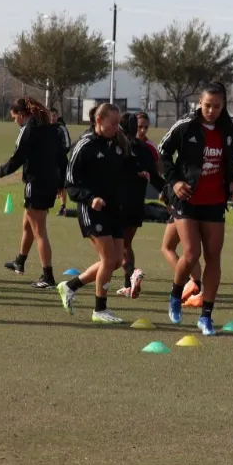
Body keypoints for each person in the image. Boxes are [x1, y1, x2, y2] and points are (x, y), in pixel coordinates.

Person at [160, 83, 233, 336]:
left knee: (214, 258)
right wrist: (175, 181)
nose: (212, 110)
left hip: (215, 202)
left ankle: (206, 316)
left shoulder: (229, 130)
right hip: (187, 200)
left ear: (223, 105)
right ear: (199, 102)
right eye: (207, 105)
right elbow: (163, 155)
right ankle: (175, 294)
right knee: (191, 252)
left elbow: (232, 159)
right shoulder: (185, 126)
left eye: (217, 106)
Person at [56, 104, 138, 324]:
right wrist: (91, 198)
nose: (116, 127)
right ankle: (99, 310)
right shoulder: (85, 145)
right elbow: (70, 184)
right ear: (99, 120)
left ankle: (70, 286)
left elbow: (127, 168)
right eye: (112, 123)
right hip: (91, 209)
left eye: (118, 123)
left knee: (117, 260)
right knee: (109, 259)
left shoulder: (118, 143)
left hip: (113, 210)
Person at [0, 97, 61, 289]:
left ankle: (48, 276)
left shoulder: (29, 130)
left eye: (14, 117)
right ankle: (20, 261)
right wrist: (61, 183)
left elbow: (16, 160)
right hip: (49, 182)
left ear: (23, 115)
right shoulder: (51, 128)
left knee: (39, 231)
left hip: (37, 183)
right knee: (27, 223)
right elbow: (61, 156)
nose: (14, 121)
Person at [114, 112, 165, 298]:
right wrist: (168, 192)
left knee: (114, 249)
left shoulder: (117, 147)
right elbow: (156, 178)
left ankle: (132, 272)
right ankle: (129, 284)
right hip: (137, 204)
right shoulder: (144, 148)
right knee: (126, 244)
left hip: (118, 204)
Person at [51, 108, 72, 216]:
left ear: (57, 116)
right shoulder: (45, 128)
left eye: (53, 115)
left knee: (62, 185)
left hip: (61, 161)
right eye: (50, 116)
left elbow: (68, 145)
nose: (52, 118)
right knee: (49, 183)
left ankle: (63, 207)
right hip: (49, 162)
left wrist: (58, 152)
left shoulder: (61, 128)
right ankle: (45, 206)